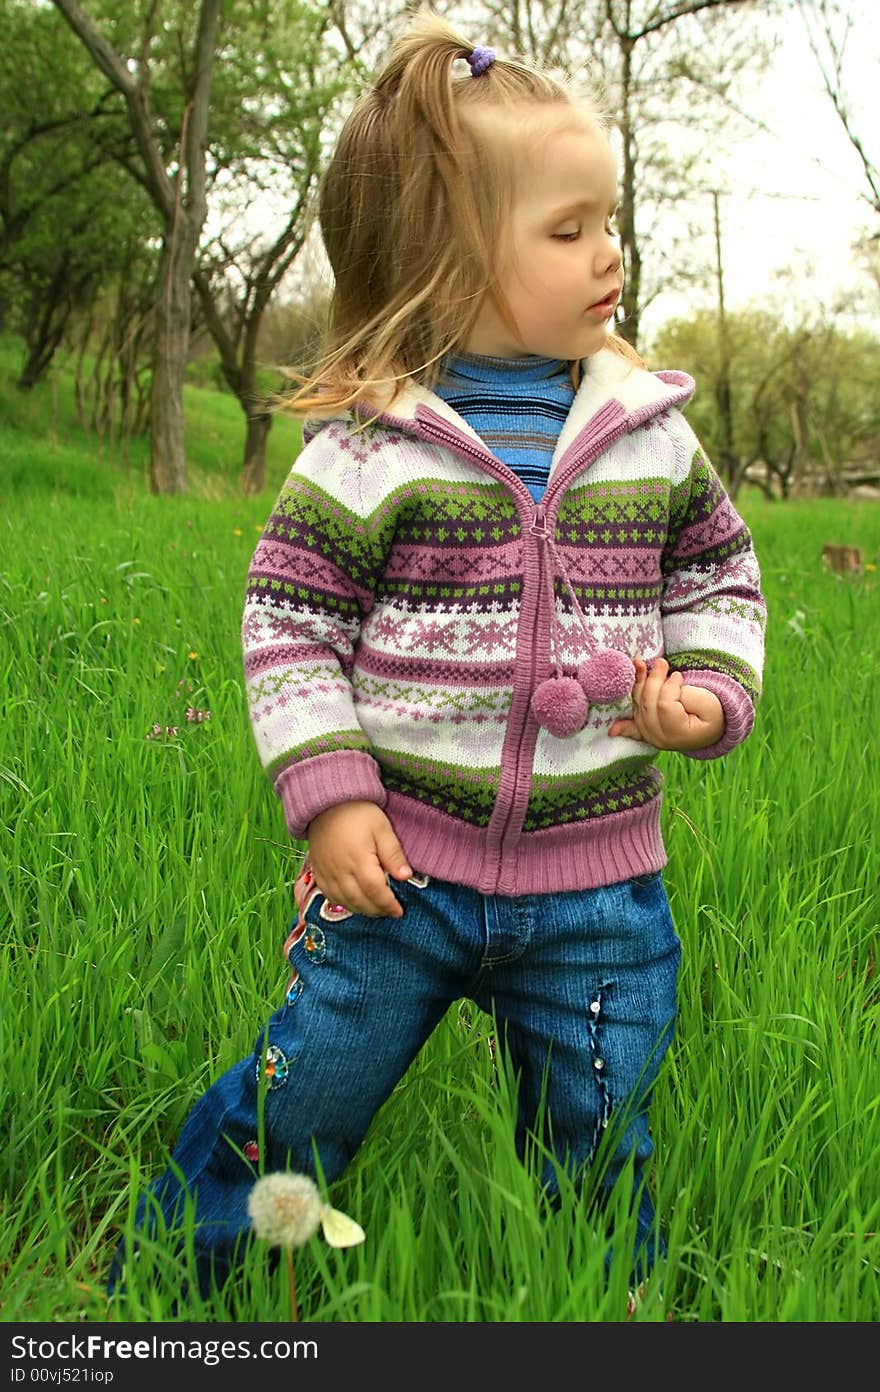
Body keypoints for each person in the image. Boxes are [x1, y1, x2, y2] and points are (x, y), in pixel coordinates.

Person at [110, 8, 766, 1304]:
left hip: (600, 889)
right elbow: (289, 621)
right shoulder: (371, 447)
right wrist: (334, 791)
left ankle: (599, 1296)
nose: (608, 252)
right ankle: (177, 1277)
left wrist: (712, 686)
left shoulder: (649, 432)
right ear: (450, 258)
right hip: (396, 878)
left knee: (599, 1125)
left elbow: (717, 569)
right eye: (566, 230)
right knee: (307, 1095)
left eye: (609, 222)